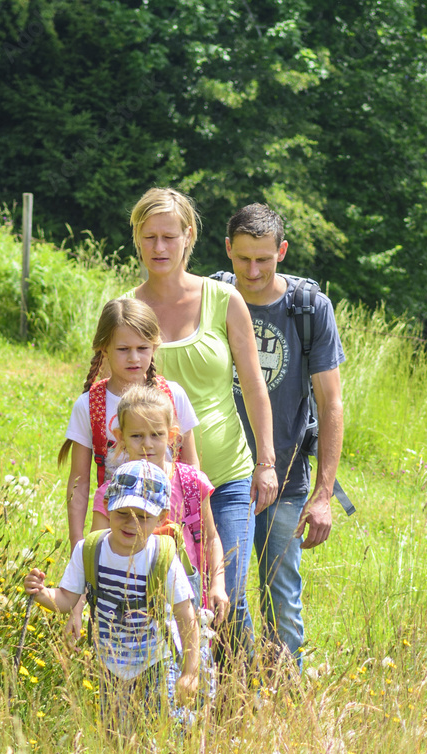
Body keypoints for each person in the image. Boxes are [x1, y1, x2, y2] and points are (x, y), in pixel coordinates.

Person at [125, 188, 278, 669]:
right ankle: (187, 697)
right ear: (137, 240)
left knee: (226, 592)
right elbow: (112, 392)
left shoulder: (223, 299)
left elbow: (254, 387)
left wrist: (268, 463)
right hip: (158, 488)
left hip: (228, 477)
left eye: (170, 235)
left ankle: (247, 692)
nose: (160, 247)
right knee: (176, 598)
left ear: (189, 237)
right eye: (149, 236)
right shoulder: (128, 309)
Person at [221, 203, 346, 668]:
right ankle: (230, 691)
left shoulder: (309, 309)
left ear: (283, 252)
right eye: (243, 258)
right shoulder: (210, 298)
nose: (253, 271)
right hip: (220, 477)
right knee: (222, 597)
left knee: (283, 606)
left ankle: (280, 701)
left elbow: (331, 403)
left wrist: (324, 495)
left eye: (265, 259)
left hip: (288, 479)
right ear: (228, 249)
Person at [24, 461, 203, 731]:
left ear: (162, 517)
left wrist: (190, 671)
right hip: (109, 664)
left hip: (155, 661)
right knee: (114, 733)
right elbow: (65, 600)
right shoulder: (90, 549)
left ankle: (176, 747)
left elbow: (185, 615)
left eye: (143, 516)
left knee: (156, 730)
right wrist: (40, 593)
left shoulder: (162, 558)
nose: (131, 523)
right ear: (108, 504)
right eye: (122, 513)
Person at [58, 297, 199, 553]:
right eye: (123, 349)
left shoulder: (173, 396)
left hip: (167, 534)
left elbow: (191, 468)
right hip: (115, 532)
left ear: (154, 347)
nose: (134, 358)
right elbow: (78, 484)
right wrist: (78, 545)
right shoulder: (89, 405)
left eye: (142, 348)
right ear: (104, 349)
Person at [90, 384, 228, 624]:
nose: (147, 444)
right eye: (136, 436)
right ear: (120, 436)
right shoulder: (109, 494)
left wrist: (218, 583)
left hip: (188, 599)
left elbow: (211, 538)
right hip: (127, 609)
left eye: (156, 434)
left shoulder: (191, 483)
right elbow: (94, 550)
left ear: (172, 435)